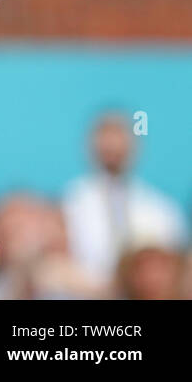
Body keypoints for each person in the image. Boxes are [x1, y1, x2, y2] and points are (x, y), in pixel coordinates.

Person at [62, 113, 187, 288]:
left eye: (119, 136)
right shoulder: (68, 204)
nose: (112, 145)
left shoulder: (163, 210)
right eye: (106, 136)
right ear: (90, 145)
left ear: (135, 145)